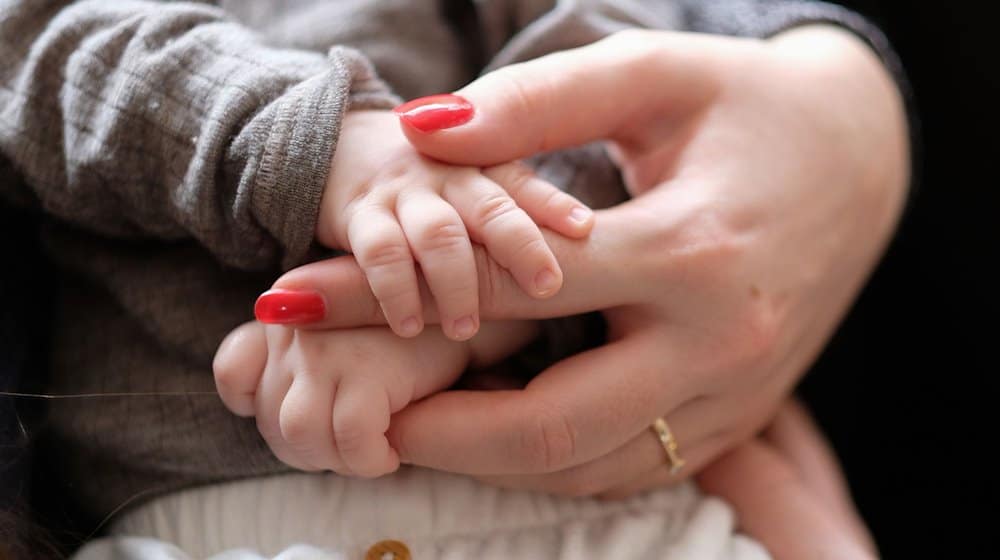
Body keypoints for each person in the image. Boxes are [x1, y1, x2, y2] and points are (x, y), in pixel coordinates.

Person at [0, 0, 910, 558]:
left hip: (620, 524)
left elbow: (631, 108)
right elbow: (42, 56)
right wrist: (324, 146)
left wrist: (466, 302)